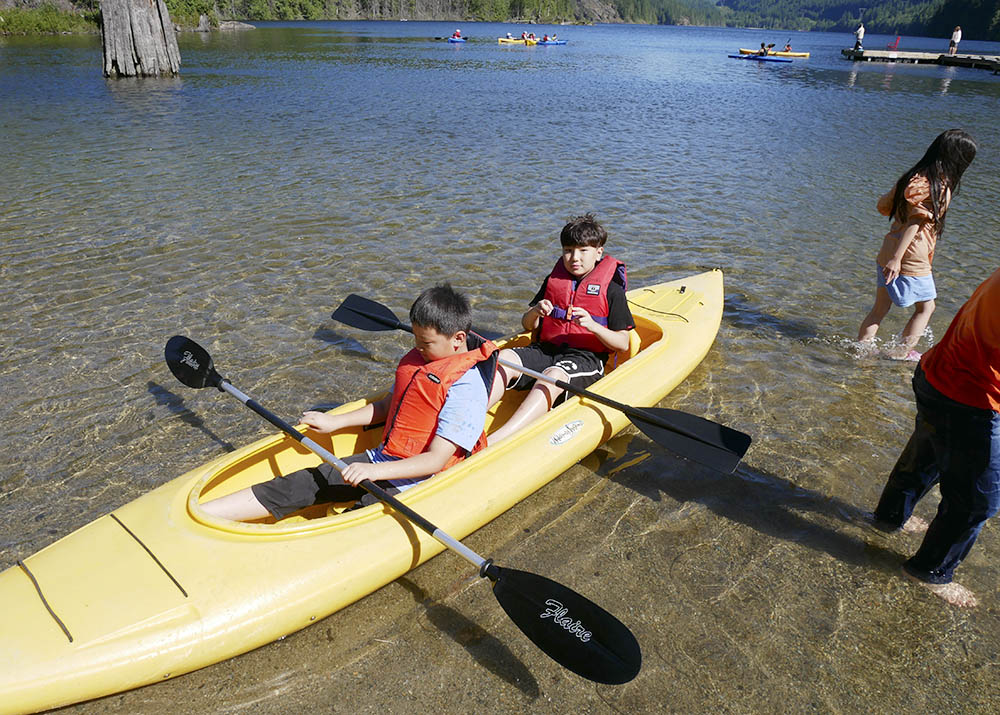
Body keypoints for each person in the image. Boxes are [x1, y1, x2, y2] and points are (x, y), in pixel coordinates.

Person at [201, 284, 497, 522]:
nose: (417, 348)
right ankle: (205, 515)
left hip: (423, 482)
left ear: (458, 339)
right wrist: (334, 421)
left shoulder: (466, 387)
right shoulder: (422, 362)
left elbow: (436, 460)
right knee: (308, 481)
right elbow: (387, 407)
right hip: (384, 459)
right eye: (416, 340)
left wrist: (374, 473)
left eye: (425, 343)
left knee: (358, 517)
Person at [872, 267, 1000, 608]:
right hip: (973, 400)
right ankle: (929, 571)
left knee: (924, 456)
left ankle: (889, 518)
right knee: (976, 502)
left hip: (935, 375)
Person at [486, 214, 633, 445]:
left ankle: (496, 441)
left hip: (586, 359)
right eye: (568, 250)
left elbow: (623, 344)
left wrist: (593, 326)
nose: (574, 258)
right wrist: (536, 311)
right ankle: (468, 423)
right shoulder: (553, 279)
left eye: (583, 251)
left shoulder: (612, 290)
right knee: (503, 358)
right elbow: (527, 325)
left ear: (598, 252)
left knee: (552, 375)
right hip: (547, 350)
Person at [856, 129, 977, 359]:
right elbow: (916, 222)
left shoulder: (912, 176)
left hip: (888, 248)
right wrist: (897, 260)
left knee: (879, 309)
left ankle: (861, 351)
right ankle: (900, 354)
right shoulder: (939, 185)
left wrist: (893, 255)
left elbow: (883, 206)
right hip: (909, 256)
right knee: (927, 307)